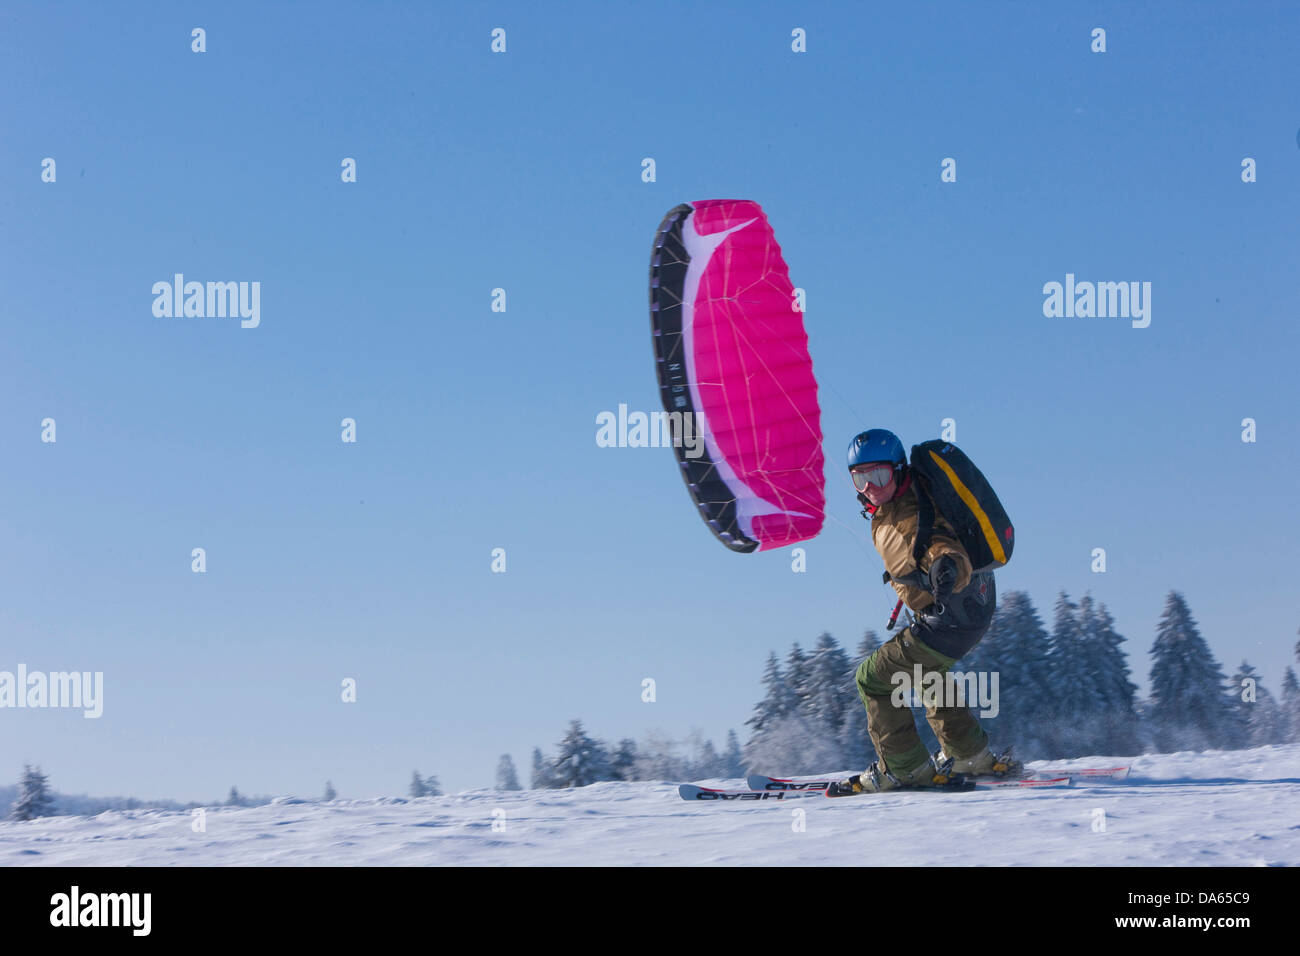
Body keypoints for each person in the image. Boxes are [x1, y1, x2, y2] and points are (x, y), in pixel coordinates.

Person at [838, 428, 1017, 794]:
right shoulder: (901, 502)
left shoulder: (908, 515)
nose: (870, 486)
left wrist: (945, 567)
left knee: (872, 679)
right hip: (969, 611)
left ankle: (905, 769)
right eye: (861, 478)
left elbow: (941, 545)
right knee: (925, 673)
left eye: (879, 475)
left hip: (952, 618)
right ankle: (970, 756)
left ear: (898, 469)